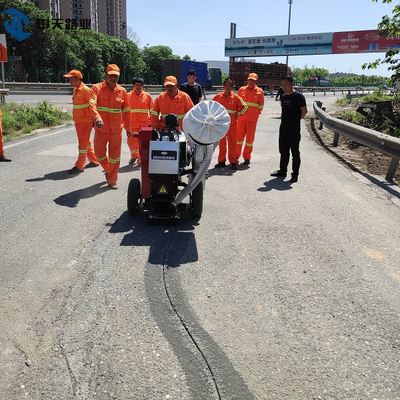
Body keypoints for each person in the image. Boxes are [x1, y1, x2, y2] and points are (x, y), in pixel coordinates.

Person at [89, 64, 131, 189]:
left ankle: (112, 179)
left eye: (116, 76)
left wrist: (128, 128)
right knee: (99, 155)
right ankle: (109, 170)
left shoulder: (122, 91)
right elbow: (92, 104)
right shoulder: (96, 88)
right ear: (106, 75)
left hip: (116, 131)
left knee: (115, 157)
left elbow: (127, 111)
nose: (113, 78)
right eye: (111, 75)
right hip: (101, 129)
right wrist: (97, 117)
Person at [270, 74, 307, 183]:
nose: (284, 87)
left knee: (295, 152)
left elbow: (304, 112)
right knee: (283, 151)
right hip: (283, 128)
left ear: (292, 84)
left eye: (286, 84)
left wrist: (295, 121)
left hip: (294, 129)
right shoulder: (283, 96)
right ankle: (282, 171)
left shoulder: (298, 97)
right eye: (282, 85)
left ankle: (295, 174)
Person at [63, 69, 99, 174]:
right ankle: (94, 160)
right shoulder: (76, 89)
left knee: (82, 144)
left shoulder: (86, 90)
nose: (69, 81)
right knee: (85, 142)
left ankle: (79, 166)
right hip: (78, 121)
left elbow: (92, 105)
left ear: (78, 79)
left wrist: (94, 119)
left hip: (85, 121)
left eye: (71, 78)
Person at [213, 78, 247, 170]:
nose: (228, 87)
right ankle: (221, 161)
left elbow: (244, 107)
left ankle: (233, 161)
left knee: (232, 143)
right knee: (222, 143)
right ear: (223, 86)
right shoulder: (218, 97)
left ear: (232, 87)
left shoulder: (236, 98)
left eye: (230, 86)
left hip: (232, 125)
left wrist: (237, 114)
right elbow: (211, 107)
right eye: (226, 85)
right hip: (220, 125)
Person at [236, 73, 264, 165]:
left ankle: (247, 157)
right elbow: (238, 103)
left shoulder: (260, 91)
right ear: (247, 80)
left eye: (253, 81)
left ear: (256, 81)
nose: (251, 82)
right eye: (250, 80)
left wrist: (255, 114)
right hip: (241, 118)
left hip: (252, 120)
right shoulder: (241, 90)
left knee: (249, 140)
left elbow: (261, 106)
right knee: (238, 138)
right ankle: (236, 156)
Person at [127, 77, 153, 165]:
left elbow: (152, 110)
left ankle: (140, 160)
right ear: (133, 85)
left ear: (143, 86)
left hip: (144, 124)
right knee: (131, 142)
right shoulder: (128, 96)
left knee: (143, 143)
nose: (138, 87)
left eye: (140, 85)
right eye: (136, 85)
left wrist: (152, 122)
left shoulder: (147, 96)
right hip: (132, 123)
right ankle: (134, 155)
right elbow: (124, 110)